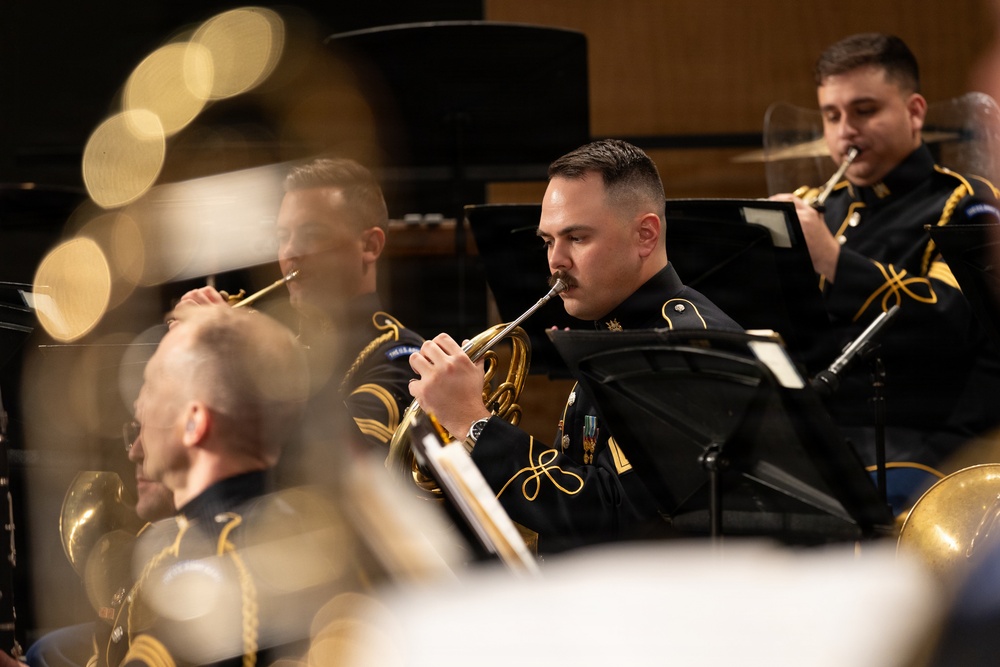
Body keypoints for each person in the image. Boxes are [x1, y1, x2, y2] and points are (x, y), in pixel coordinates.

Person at [407, 139, 743, 553]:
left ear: (645, 235)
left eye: (577, 238)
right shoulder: (617, 331)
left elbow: (612, 517)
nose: (555, 261)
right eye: (548, 241)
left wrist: (473, 423)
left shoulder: (685, 347)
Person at [770, 33, 1000, 507]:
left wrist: (832, 262)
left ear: (915, 112)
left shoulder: (965, 202)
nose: (845, 130)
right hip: (832, 433)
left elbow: (950, 319)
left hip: (929, 437)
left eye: (865, 110)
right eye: (832, 116)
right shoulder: (821, 206)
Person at [90, 302, 322, 667]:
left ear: (193, 423)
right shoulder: (314, 532)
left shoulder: (187, 577)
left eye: (153, 385)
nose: (139, 408)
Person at [180, 157, 423, 456]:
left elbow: (349, 461)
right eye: (283, 237)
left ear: (370, 246)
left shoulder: (402, 357)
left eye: (313, 234)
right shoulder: (286, 339)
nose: (291, 252)